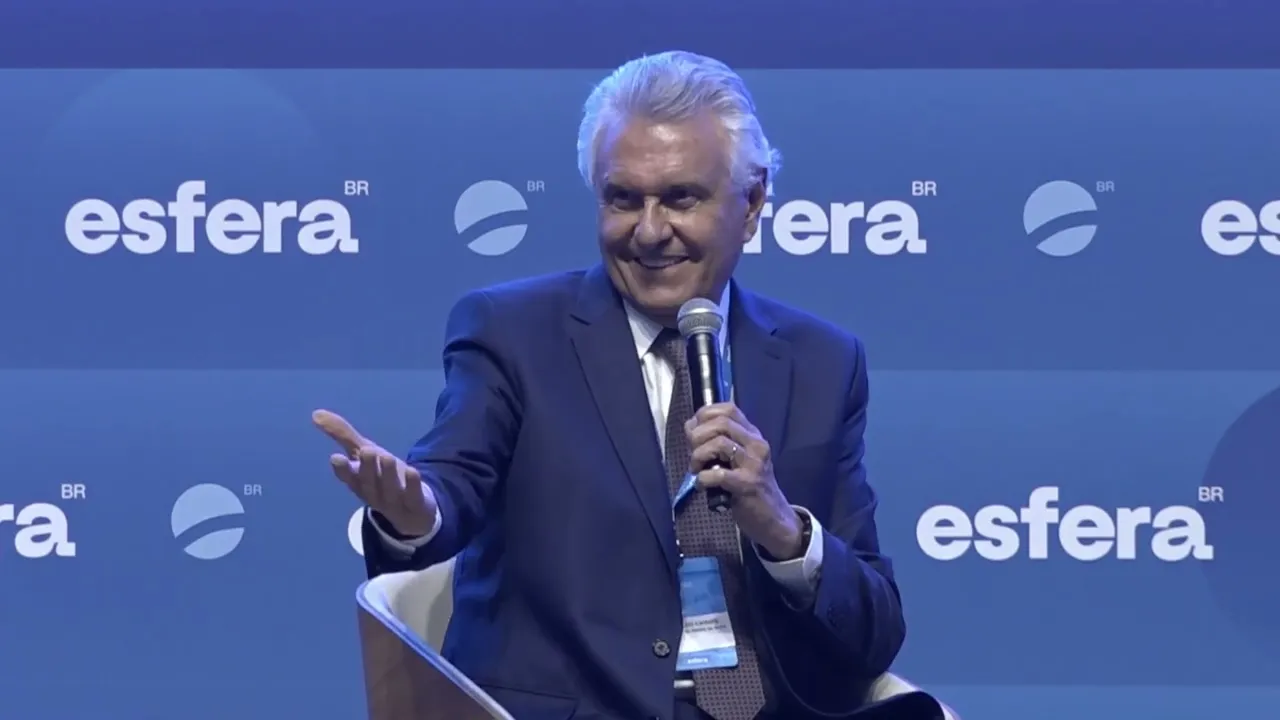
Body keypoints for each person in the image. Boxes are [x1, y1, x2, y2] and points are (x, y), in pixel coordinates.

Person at [315, 51, 945, 720]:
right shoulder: (513, 332)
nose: (648, 232)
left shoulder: (822, 362)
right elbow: (451, 481)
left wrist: (785, 531)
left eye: (680, 198)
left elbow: (874, 632)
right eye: (623, 199)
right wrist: (415, 514)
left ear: (753, 202)